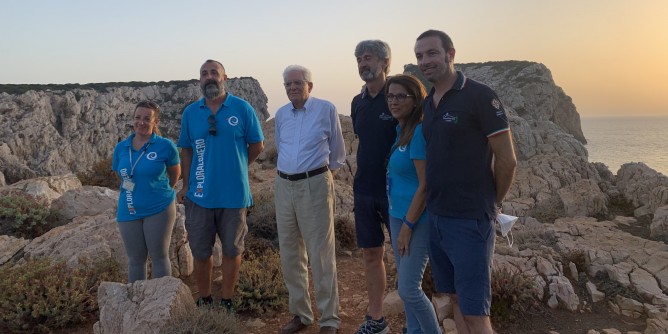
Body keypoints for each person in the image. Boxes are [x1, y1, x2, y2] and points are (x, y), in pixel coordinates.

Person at [414, 30, 517, 334]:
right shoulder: (428, 104)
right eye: (419, 56)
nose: (425, 61)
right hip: (437, 217)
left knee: (475, 314)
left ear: (450, 54)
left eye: (432, 53)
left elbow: (507, 160)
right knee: (456, 300)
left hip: (470, 221)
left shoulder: (480, 95)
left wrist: (491, 203)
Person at [176, 59, 264, 312]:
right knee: (201, 252)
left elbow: (257, 145)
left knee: (232, 249)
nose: (209, 77)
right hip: (200, 195)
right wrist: (186, 186)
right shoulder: (191, 112)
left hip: (234, 195)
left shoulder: (242, 108)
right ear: (200, 80)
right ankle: (204, 298)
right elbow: (186, 150)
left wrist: (236, 166)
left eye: (214, 72)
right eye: (204, 74)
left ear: (225, 78)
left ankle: (226, 299)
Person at [274, 65, 345, 334]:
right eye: (288, 84)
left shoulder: (325, 109)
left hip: (314, 184)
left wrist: (319, 178)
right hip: (283, 186)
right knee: (291, 253)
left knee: (321, 254)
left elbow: (338, 153)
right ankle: (301, 315)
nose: (292, 87)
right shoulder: (281, 114)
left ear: (309, 86)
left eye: (298, 83)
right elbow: (281, 147)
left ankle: (329, 319)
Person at [385, 75, 441, 334]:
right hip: (397, 216)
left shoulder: (418, 132)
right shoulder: (402, 130)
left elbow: (425, 184)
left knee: (408, 288)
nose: (393, 101)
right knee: (407, 291)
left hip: (416, 219)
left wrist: (408, 225)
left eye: (400, 96)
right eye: (390, 96)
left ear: (415, 99)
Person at [351, 39, 397, 334]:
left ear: (384, 62)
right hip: (364, 189)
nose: (362, 63)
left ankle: (418, 318)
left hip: (396, 191)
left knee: (407, 257)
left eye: (368, 58)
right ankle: (376, 318)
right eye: (358, 59)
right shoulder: (358, 102)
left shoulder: (399, 96)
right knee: (371, 255)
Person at [112, 100, 181, 283]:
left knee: (159, 257)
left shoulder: (165, 146)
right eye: (137, 118)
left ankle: (162, 305)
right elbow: (120, 175)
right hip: (128, 208)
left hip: (159, 208)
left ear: (155, 122)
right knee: (135, 260)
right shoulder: (121, 148)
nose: (141, 122)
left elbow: (175, 174)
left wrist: (161, 190)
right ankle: (138, 305)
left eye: (146, 118)